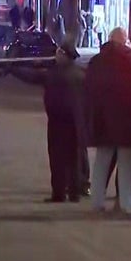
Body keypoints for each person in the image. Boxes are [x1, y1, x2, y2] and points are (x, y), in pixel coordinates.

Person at [83, 27, 131, 216]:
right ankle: (126, 203)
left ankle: (96, 202)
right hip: (127, 120)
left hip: (102, 120)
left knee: (101, 162)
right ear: (124, 41)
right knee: (126, 164)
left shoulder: (96, 62)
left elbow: (87, 90)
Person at [44, 44, 85, 202]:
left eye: (59, 52)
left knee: (57, 158)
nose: (56, 54)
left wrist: (13, 70)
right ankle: (74, 192)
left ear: (64, 55)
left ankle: (59, 193)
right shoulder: (80, 73)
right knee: (74, 158)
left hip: (57, 121)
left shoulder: (55, 73)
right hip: (75, 121)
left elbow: (34, 77)